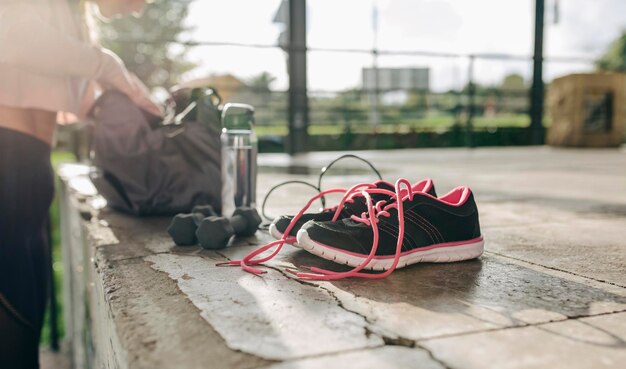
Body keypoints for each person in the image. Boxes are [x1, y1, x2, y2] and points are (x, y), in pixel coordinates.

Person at [0, 1, 161, 367]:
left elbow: (54, 82)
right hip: (7, 165)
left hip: (25, 169)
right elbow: (14, 39)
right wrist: (107, 65)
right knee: (11, 329)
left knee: (24, 327)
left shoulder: (67, 13)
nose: (139, 10)